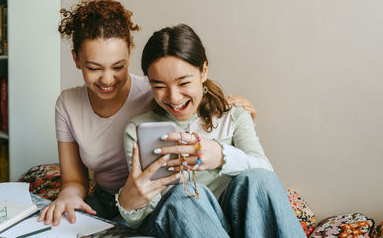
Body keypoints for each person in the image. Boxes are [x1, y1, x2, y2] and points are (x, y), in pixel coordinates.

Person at [38, 0, 255, 226]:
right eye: (94, 68)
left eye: (118, 66)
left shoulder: (157, 91)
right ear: (76, 60)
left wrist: (235, 108)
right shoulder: (67, 104)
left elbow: (195, 97)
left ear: (130, 53)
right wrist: (68, 196)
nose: (107, 79)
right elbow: (74, 179)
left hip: (160, 198)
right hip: (108, 199)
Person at [117, 24, 306, 238]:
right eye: (159, 86)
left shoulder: (233, 114)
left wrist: (222, 156)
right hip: (179, 224)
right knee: (184, 196)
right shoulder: (139, 129)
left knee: (260, 178)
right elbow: (140, 219)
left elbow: (266, 177)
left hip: (234, 220)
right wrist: (130, 201)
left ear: (203, 71)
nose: (174, 97)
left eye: (184, 83)